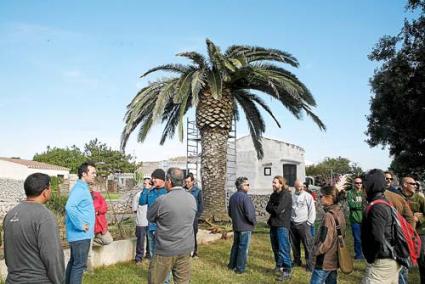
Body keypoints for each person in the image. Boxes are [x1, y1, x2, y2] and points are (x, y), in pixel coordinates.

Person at [3, 173, 65, 284]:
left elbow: (8, 254)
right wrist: (60, 281)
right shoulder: (45, 216)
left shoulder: (10, 215)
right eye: (50, 187)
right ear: (45, 191)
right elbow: (53, 257)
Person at [147, 167, 197, 284]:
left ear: (169, 181)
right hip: (185, 248)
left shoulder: (162, 200)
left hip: (165, 250)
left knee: (155, 280)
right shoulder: (191, 199)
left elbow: (150, 217)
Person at [362, 169, 401, 284]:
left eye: (365, 185)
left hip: (382, 262)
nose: (363, 189)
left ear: (371, 186)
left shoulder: (377, 207)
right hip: (389, 258)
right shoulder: (383, 202)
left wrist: (371, 258)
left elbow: (377, 237)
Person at [65, 161, 96, 284]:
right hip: (80, 235)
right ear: (84, 174)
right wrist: (80, 225)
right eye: (92, 173)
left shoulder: (82, 188)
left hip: (79, 236)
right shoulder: (80, 189)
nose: (95, 175)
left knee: (74, 263)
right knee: (79, 266)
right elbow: (69, 207)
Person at [310, 185, 346, 284]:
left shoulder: (328, 216)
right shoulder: (339, 212)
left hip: (324, 261)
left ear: (329, 197)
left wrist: (314, 252)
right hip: (334, 258)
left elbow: (325, 241)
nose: (319, 198)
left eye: (321, 196)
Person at [266, 176, 293, 281]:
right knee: (275, 248)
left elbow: (277, 210)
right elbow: (268, 207)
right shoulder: (273, 195)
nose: (273, 184)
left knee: (283, 248)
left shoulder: (285, 195)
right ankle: (279, 266)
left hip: (282, 225)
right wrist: (274, 207)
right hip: (273, 224)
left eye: (275, 182)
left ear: (281, 184)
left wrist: (273, 207)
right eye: (272, 182)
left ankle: (287, 270)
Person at [227, 176, 257, 274]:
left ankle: (231, 265)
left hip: (236, 226)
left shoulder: (232, 197)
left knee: (235, 246)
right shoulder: (245, 197)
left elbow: (230, 213)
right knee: (243, 248)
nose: (249, 186)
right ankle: (240, 268)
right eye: (247, 185)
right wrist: (253, 222)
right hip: (245, 227)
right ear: (241, 186)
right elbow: (250, 214)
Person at [400, 176, 425, 284]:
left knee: (423, 260)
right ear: (405, 184)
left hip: (419, 233)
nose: (415, 186)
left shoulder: (420, 198)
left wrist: (418, 218)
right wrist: (410, 218)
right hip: (403, 233)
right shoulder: (398, 197)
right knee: (403, 260)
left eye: (415, 184)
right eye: (413, 184)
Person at [139, 169, 168, 257]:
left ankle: (166, 271)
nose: (153, 180)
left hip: (163, 228)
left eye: (156, 178)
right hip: (151, 227)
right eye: (153, 178)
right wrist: (146, 189)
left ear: (162, 179)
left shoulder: (168, 192)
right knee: (152, 253)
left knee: (164, 254)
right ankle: (154, 270)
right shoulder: (151, 191)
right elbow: (142, 202)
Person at [290, 179, 316, 272]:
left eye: (301, 187)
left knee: (308, 245)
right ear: (295, 187)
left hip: (304, 224)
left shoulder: (308, 196)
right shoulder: (291, 196)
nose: (300, 188)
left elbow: (312, 210)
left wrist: (309, 222)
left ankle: (310, 264)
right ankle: (297, 261)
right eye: (298, 187)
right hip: (293, 224)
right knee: (294, 244)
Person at [184, 173, 204, 258]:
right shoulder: (183, 190)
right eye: (186, 182)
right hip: (184, 217)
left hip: (193, 217)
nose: (187, 184)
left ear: (193, 182)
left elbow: (201, 204)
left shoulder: (198, 191)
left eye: (188, 182)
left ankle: (194, 252)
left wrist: (197, 215)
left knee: (193, 234)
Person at [133, 177, 152, 263]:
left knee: (150, 240)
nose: (146, 185)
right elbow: (134, 209)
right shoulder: (138, 195)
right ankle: (138, 258)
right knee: (140, 240)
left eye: (148, 183)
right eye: (145, 183)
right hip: (141, 222)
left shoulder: (153, 195)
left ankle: (149, 255)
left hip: (151, 222)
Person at [346, 176, 365, 260]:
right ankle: (358, 255)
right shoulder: (350, 193)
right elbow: (351, 204)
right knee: (357, 239)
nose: (359, 184)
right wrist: (361, 205)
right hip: (355, 219)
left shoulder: (364, 193)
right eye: (357, 183)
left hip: (364, 219)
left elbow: (366, 205)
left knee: (365, 238)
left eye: (360, 183)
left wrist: (356, 204)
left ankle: (365, 254)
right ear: (354, 184)